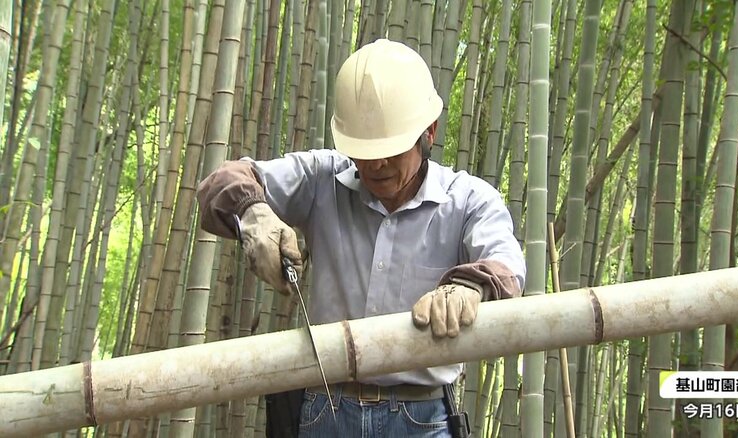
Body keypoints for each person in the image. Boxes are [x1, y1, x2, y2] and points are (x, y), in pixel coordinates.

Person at [196, 39, 526, 437]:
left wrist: (469, 286)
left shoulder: (469, 200)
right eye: (363, 150)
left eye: (390, 149)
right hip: (324, 410)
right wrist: (254, 214)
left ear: (430, 133)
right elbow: (222, 182)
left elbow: (505, 265)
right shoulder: (322, 179)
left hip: (421, 418)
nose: (376, 163)